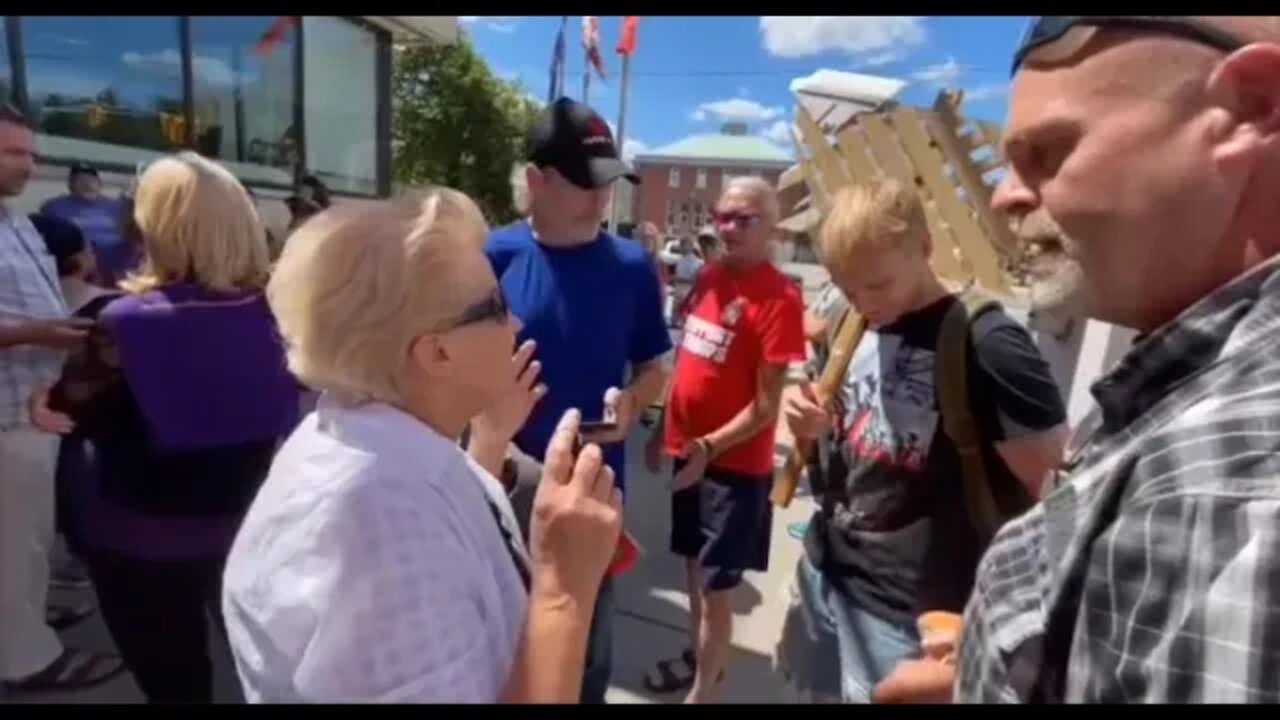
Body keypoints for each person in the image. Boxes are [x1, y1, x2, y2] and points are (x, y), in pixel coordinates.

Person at [949, 16, 1280, 703]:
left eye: (1047, 152)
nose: (1007, 195)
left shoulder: (1233, 505)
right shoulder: (1188, 394)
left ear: (1253, 108)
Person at [220, 192, 624, 703]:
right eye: (496, 306)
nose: (517, 323)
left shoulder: (370, 440)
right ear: (437, 351)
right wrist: (564, 588)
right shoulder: (374, 528)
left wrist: (489, 441)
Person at [775, 177, 1066, 704]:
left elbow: (1058, 505)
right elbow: (844, 454)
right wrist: (808, 428)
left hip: (913, 619)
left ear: (925, 249)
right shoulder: (848, 321)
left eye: (878, 285)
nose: (864, 301)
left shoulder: (989, 344)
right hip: (826, 575)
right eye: (847, 285)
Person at [29, 151, 299, 703]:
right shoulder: (283, 313)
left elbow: (67, 410)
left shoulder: (123, 323)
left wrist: (41, 401)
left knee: (175, 684)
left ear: (156, 226)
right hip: (252, 530)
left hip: (141, 541)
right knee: (267, 675)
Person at [488, 97, 672, 704]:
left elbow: (655, 366)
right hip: (498, 505)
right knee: (493, 658)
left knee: (584, 671)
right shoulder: (490, 259)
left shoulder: (630, 266)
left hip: (591, 508)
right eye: (585, 184)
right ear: (536, 181)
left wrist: (635, 401)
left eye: (609, 184)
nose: (601, 201)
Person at [642, 176, 806, 703]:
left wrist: (708, 447)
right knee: (693, 572)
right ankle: (701, 663)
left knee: (717, 591)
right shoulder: (709, 279)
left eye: (744, 219)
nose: (729, 228)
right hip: (688, 456)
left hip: (732, 472)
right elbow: (689, 361)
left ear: (772, 227)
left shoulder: (780, 298)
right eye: (723, 217)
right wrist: (661, 428)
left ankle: (704, 695)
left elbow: (765, 408)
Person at [0, 104, 123, 693]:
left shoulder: (18, 220)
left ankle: (20, 623)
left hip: (30, 405)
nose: (28, 164)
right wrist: (35, 334)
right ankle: (25, 659)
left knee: (26, 541)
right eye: (12, 152)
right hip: (4, 418)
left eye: (28, 151)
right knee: (12, 542)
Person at [29, 213, 113, 613]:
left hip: (36, 419)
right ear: (82, 257)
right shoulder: (109, 307)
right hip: (94, 430)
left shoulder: (23, 306)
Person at [38, 162, 133, 286]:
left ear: (99, 184)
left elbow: (131, 230)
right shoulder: (54, 207)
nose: (86, 184)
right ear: (70, 185)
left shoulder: (117, 205)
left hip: (118, 260)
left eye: (91, 180)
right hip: (80, 263)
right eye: (79, 180)